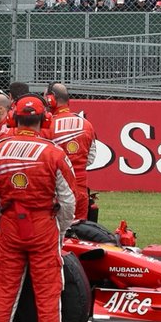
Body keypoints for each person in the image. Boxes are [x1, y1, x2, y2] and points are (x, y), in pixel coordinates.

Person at [0, 95, 77, 322]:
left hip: (10, 227)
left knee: (2, 297)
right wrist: (58, 228)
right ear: (44, 120)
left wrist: (0, 222)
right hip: (43, 228)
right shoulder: (54, 153)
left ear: (12, 118)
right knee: (48, 299)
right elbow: (68, 201)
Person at [45, 83, 96, 220]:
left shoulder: (47, 126)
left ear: (51, 99)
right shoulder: (86, 124)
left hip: (57, 191)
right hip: (81, 190)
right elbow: (91, 158)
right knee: (80, 233)